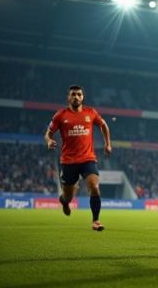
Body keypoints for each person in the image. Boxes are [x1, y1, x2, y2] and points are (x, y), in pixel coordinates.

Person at [45, 85, 112, 231]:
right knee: (68, 197)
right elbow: (48, 133)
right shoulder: (60, 115)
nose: (76, 97)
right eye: (73, 94)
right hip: (68, 162)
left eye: (79, 94)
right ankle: (64, 202)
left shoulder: (91, 112)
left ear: (83, 97)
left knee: (94, 187)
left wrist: (108, 144)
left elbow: (104, 125)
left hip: (88, 159)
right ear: (68, 97)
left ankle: (96, 221)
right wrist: (49, 140)